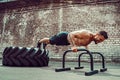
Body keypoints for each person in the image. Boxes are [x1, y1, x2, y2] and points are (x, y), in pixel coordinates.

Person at [37, 29, 108, 52]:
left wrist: (88, 51)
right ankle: (40, 41)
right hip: (64, 36)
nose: (99, 41)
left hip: (67, 42)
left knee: (52, 43)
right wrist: (73, 46)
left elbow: (85, 44)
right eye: (100, 39)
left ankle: (45, 43)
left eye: (101, 41)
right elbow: (71, 34)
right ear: (97, 34)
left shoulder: (90, 40)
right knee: (50, 40)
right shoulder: (87, 34)